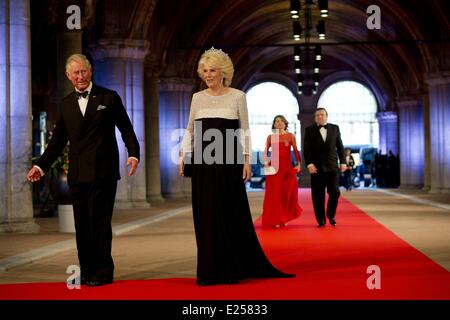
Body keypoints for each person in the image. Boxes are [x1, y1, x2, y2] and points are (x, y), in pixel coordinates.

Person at [178, 47, 294, 286]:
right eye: (205, 70)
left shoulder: (238, 96)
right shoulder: (197, 98)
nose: (208, 75)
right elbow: (190, 130)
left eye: (213, 70)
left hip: (229, 163)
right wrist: (183, 156)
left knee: (230, 213)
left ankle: (232, 267)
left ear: (224, 72)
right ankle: (209, 270)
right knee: (206, 215)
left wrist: (246, 160)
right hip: (203, 163)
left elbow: (244, 131)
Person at [27, 54, 140, 286]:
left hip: (104, 172)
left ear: (90, 72)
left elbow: (126, 129)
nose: (80, 76)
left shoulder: (109, 97)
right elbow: (57, 141)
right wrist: (41, 165)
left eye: (83, 72)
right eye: (75, 73)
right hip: (77, 175)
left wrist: (133, 153)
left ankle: (103, 273)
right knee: (82, 224)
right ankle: (87, 271)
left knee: (99, 222)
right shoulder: (67, 104)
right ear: (69, 76)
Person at [303, 108, 346, 228]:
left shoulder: (335, 128)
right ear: (315, 117)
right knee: (318, 195)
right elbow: (307, 149)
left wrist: (343, 162)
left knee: (335, 192)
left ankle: (331, 215)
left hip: (332, 166)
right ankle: (321, 220)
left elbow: (340, 146)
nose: (320, 117)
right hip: (316, 168)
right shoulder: (309, 130)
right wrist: (309, 164)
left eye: (322, 115)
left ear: (326, 116)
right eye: (317, 115)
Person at [261, 115, 302, 228]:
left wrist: (299, 163)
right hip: (273, 168)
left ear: (285, 123)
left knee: (287, 193)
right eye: (276, 121)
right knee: (274, 194)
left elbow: (295, 151)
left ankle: (285, 217)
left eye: (281, 121)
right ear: (274, 124)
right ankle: (277, 219)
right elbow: (265, 151)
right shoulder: (271, 137)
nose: (279, 123)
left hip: (287, 168)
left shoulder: (290, 136)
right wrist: (265, 162)